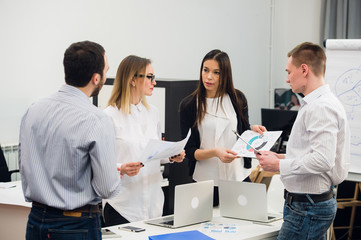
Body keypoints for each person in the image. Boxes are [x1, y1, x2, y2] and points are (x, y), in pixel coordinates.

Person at [19, 41, 122, 240]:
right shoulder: (97, 119)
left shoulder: (33, 109)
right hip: (76, 225)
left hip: (35, 220)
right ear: (96, 78)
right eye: (106, 70)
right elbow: (107, 188)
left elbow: (26, 165)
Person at [256, 42, 350, 240]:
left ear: (304, 70)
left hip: (308, 207)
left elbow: (323, 160)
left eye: (289, 72)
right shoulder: (315, 104)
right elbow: (313, 154)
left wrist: (279, 164)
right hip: (306, 205)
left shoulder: (321, 107)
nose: (287, 78)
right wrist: (280, 157)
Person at [102, 55, 185, 226]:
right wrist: (121, 168)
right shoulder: (108, 116)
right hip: (123, 207)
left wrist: (170, 156)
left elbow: (152, 154)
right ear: (132, 79)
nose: (154, 82)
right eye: (150, 77)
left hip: (154, 205)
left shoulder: (152, 112)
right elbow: (99, 164)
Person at [179, 49, 266, 206]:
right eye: (205, 70)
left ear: (225, 75)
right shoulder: (189, 105)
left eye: (216, 72)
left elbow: (242, 131)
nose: (209, 77)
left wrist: (253, 130)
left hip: (238, 177)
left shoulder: (238, 99)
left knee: (246, 225)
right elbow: (189, 151)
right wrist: (215, 152)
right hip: (205, 181)